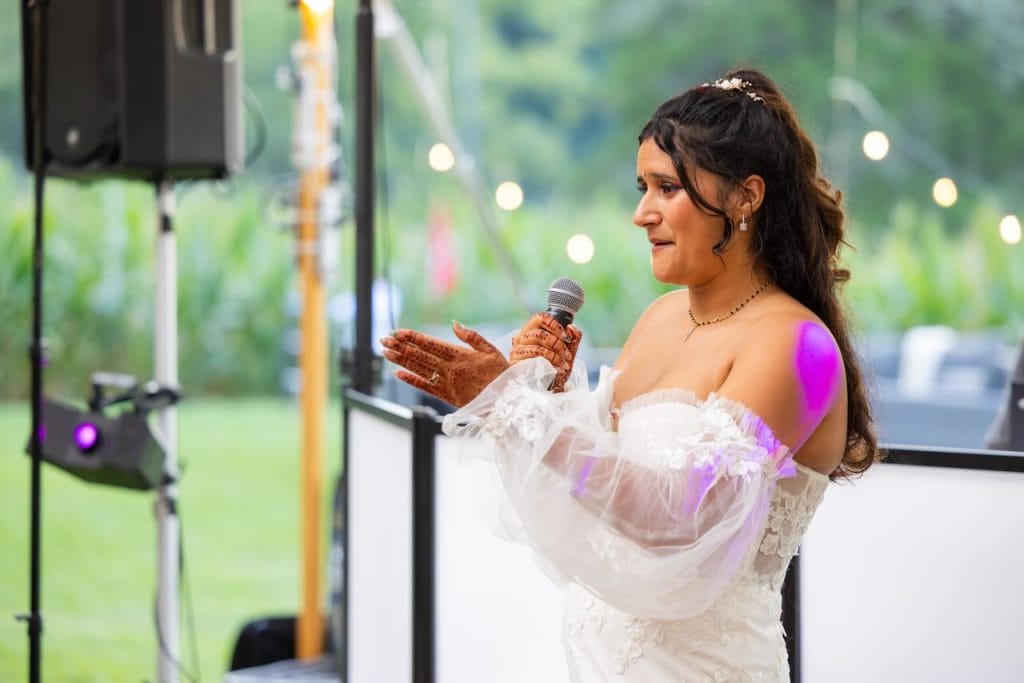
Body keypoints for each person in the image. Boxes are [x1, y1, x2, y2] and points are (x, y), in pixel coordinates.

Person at [381, 67, 879, 681]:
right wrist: (544, 393)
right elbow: (595, 496)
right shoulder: (659, 319)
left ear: (746, 196)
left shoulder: (796, 346)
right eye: (642, 187)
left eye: (667, 188)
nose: (642, 213)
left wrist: (516, 408)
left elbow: (679, 519)